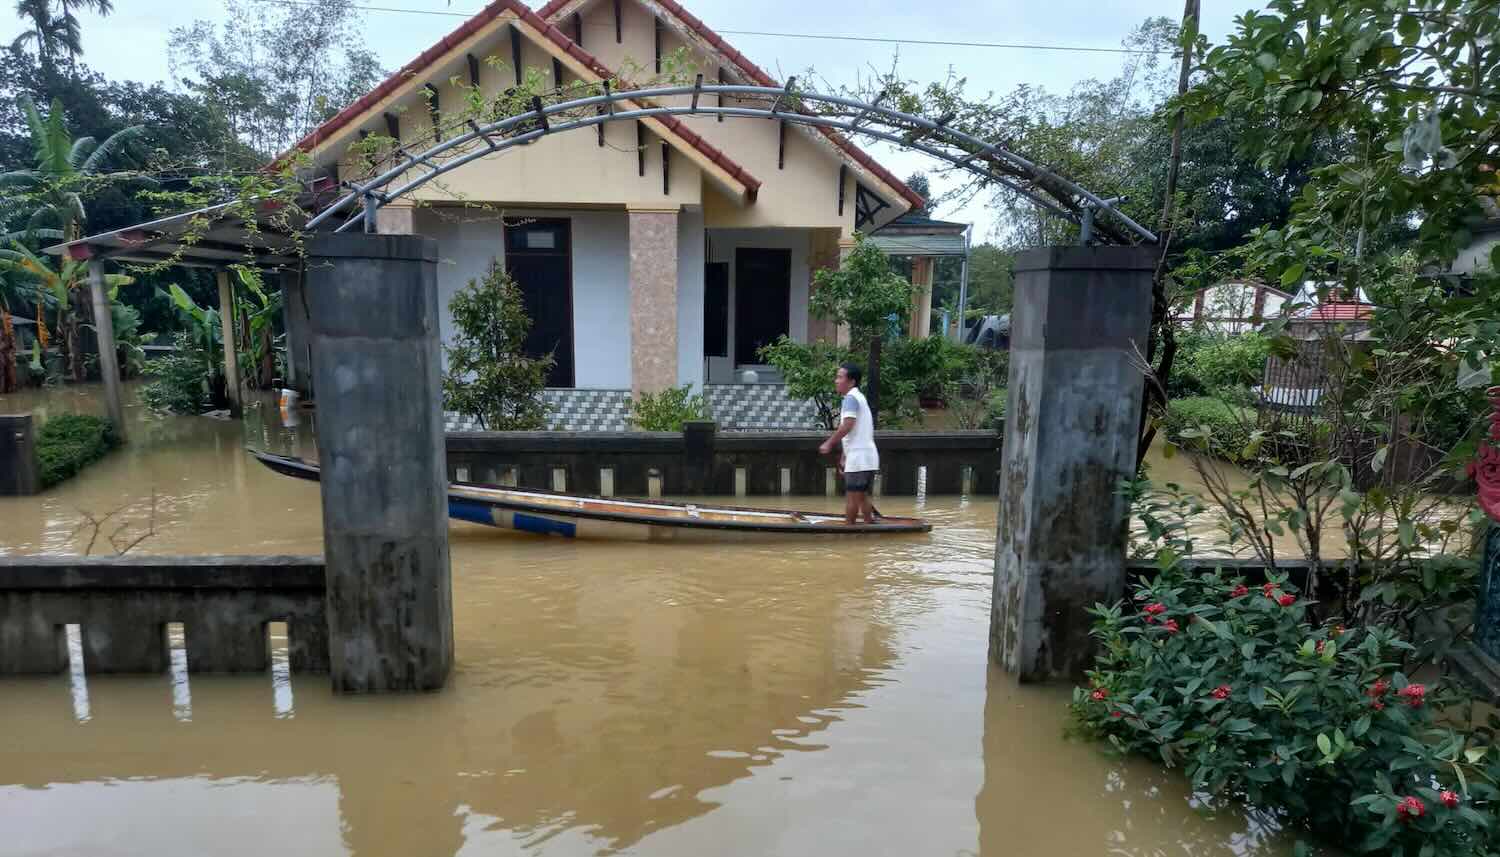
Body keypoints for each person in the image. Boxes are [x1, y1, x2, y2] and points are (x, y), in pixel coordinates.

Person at [818, 363, 879, 525]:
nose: (836, 381)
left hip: (860, 457)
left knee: (852, 497)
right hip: (863, 456)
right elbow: (855, 432)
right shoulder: (858, 397)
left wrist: (829, 443)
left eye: (840, 377)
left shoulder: (851, 398)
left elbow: (848, 425)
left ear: (851, 382)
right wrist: (845, 457)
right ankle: (868, 526)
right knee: (860, 495)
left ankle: (848, 530)